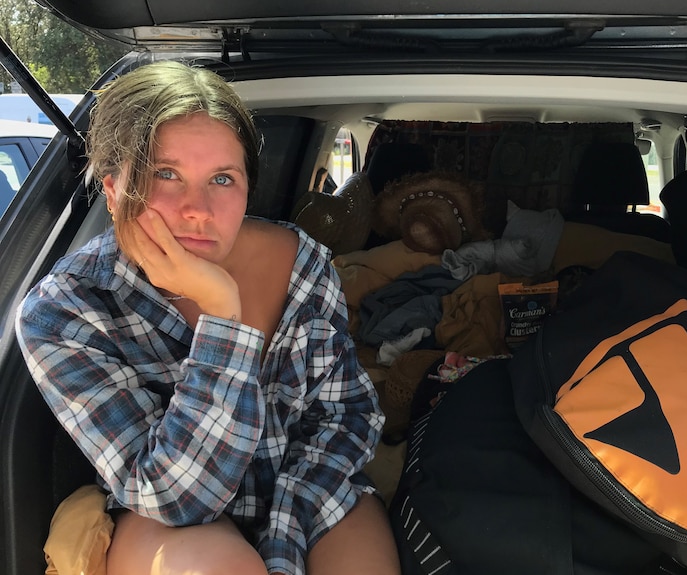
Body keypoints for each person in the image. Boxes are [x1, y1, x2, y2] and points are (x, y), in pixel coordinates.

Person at [15, 60, 400, 575]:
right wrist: (224, 317)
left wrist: (286, 533)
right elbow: (174, 498)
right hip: (166, 517)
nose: (198, 208)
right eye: (166, 174)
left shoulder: (301, 263)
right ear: (112, 190)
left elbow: (346, 412)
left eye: (222, 178)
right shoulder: (63, 310)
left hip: (308, 485)